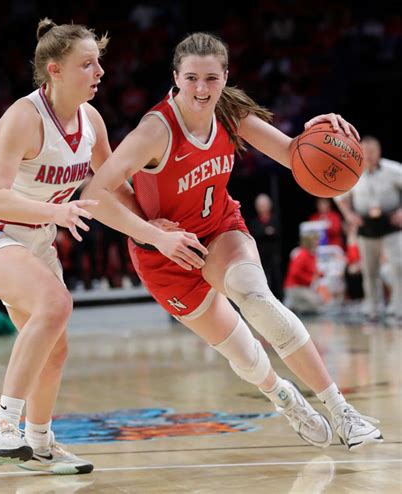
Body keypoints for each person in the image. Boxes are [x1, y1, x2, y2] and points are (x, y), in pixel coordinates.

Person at [86, 32, 383, 450]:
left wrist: (324, 132)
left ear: (225, 77)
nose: (201, 89)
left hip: (219, 228)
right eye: (191, 78)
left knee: (255, 297)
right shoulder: (155, 131)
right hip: (163, 252)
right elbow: (94, 195)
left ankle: (341, 411)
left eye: (211, 78)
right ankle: (284, 397)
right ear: (175, 78)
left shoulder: (231, 115)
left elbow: (295, 157)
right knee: (244, 356)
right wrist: (155, 235)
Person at [0, 19, 204, 474]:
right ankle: (1, 429)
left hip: (36, 234)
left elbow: (106, 191)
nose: (100, 71)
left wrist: (152, 228)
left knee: (56, 346)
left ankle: (40, 443)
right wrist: (57, 213)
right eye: (87, 64)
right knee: (55, 303)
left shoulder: (91, 122)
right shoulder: (22, 118)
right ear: (55, 71)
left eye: (99, 62)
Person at [334, 135, 402, 323]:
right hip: (366, 229)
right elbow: (339, 197)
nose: (369, 155)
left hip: (391, 226)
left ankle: (399, 310)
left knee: (399, 268)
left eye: (373, 151)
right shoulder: (352, 173)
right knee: (370, 271)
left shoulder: (393, 169)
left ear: (379, 152)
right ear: (360, 153)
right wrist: (349, 215)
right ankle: (374, 310)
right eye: (366, 152)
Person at [247, 193, 283, 299]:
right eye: (260, 205)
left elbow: (277, 233)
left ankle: (280, 298)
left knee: (276, 277)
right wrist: (265, 232)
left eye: (264, 204)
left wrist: (264, 233)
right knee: (263, 278)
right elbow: (253, 235)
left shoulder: (275, 219)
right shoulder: (254, 222)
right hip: (261, 255)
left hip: (274, 254)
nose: (262, 207)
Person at [283, 232, 324, 315]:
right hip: (295, 287)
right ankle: (293, 305)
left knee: (319, 301)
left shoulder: (311, 256)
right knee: (315, 303)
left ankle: (295, 305)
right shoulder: (302, 255)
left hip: (303, 287)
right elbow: (294, 272)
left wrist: (320, 274)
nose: (317, 243)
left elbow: (312, 270)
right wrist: (309, 279)